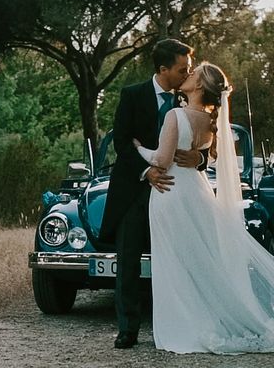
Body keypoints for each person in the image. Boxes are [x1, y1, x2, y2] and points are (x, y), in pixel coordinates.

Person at [134, 62, 274, 353]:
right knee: (198, 258)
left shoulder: (176, 115)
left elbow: (161, 160)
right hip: (196, 193)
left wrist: (137, 148)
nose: (188, 74)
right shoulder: (209, 122)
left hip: (169, 191)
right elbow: (204, 158)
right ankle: (208, 318)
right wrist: (197, 158)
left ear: (198, 85)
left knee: (174, 261)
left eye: (194, 72)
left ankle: (184, 325)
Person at [99, 38, 207, 349]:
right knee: (129, 260)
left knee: (179, 259)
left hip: (175, 192)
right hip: (134, 191)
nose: (187, 75)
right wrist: (147, 172)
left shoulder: (188, 101)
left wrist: (200, 158)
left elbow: (204, 137)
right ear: (163, 70)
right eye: (181, 69)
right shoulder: (132, 95)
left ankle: (178, 323)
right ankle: (128, 329)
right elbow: (122, 142)